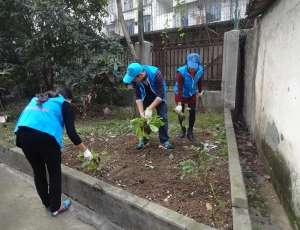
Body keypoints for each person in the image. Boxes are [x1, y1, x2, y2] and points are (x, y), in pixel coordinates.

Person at [14, 87, 93, 217]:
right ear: (68, 99)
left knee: (38, 172)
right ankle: (56, 208)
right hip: (45, 137)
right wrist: (85, 151)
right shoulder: (64, 104)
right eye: (70, 101)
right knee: (54, 173)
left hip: (23, 136)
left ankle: (48, 204)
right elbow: (71, 133)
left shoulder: (37, 98)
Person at [123, 62, 174, 150]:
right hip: (145, 95)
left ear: (141, 75)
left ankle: (164, 141)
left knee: (163, 117)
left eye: (134, 79)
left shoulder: (156, 73)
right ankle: (143, 140)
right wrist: (141, 112)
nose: (133, 81)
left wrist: (150, 109)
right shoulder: (134, 79)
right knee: (141, 118)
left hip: (158, 95)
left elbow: (161, 94)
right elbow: (137, 95)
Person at [174, 53, 203, 142]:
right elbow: (179, 88)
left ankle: (190, 131)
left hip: (191, 93)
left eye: (193, 66)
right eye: (190, 66)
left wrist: (200, 91)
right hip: (180, 94)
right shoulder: (181, 72)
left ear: (198, 64)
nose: (191, 68)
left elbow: (199, 80)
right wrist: (179, 104)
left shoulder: (200, 70)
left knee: (193, 111)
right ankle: (182, 129)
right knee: (181, 112)